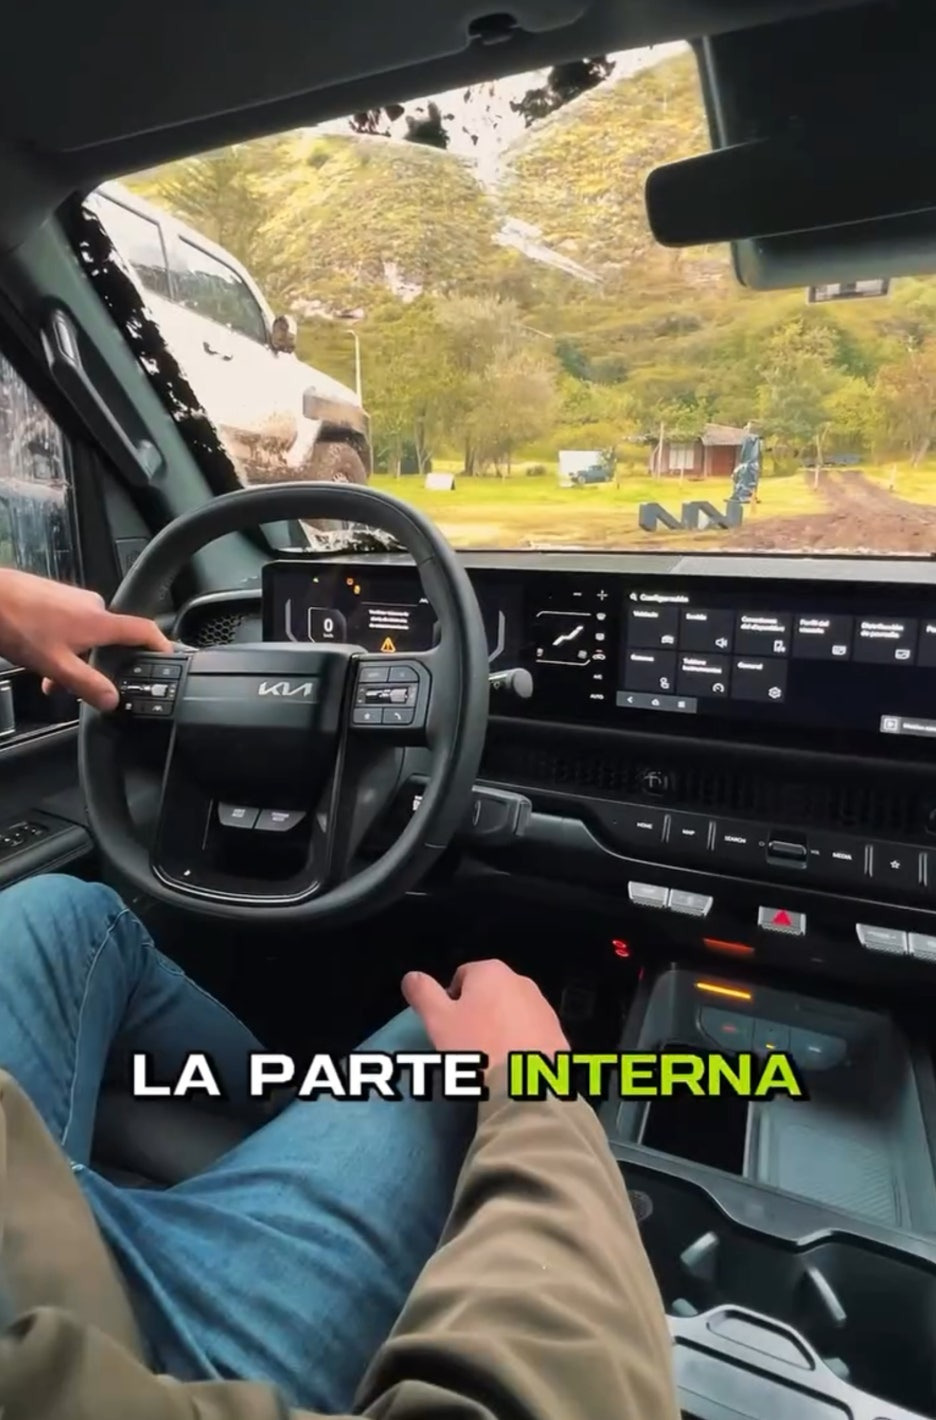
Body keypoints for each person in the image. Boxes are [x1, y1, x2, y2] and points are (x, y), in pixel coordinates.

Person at [0, 567, 680, 1420]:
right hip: (124, 1360)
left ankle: (293, 1109)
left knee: (64, 916)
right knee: (445, 1046)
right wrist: (531, 1086)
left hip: (24, 1255)